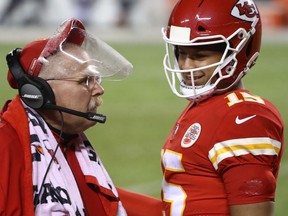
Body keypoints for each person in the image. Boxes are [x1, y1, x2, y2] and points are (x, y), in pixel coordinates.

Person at [0, 18, 162, 215]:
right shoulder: (5, 146)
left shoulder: (64, 140)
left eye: (97, 79)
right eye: (85, 80)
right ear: (40, 93)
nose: (99, 90)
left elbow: (90, 197)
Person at [160, 0, 284, 215]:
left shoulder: (243, 117)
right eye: (181, 52)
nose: (186, 66)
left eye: (200, 56)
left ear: (239, 52)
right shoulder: (202, 106)